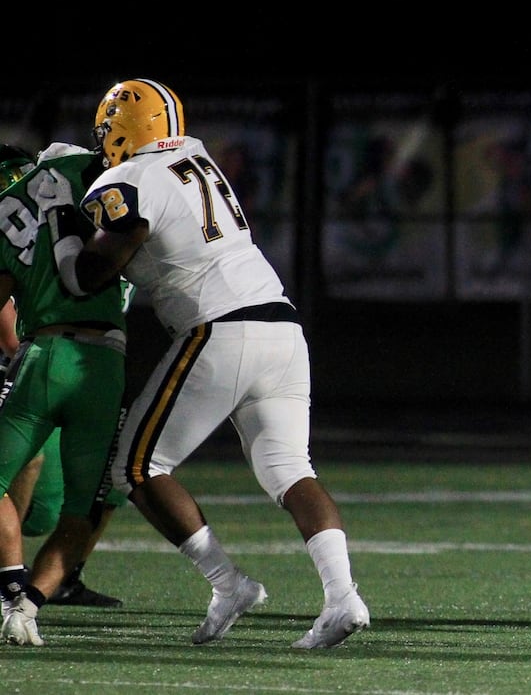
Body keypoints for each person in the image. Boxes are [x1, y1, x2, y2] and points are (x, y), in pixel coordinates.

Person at [46, 78, 370, 648]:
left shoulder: (130, 179)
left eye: (108, 127)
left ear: (124, 127)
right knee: (292, 468)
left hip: (221, 326)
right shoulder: (195, 157)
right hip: (282, 325)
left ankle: (228, 584)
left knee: (136, 469)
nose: (102, 139)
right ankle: (343, 596)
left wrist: (61, 227)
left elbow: (85, 278)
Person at [0, 142, 131, 646]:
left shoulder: (16, 211)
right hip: (106, 365)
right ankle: (28, 607)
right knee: (84, 510)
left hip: (43, 353)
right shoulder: (111, 190)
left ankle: (11, 587)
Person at [1, 297, 125, 609]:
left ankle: (59, 582)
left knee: (107, 484)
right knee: (31, 469)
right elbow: (10, 337)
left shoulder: (133, 258)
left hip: (82, 366)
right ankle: (11, 584)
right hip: (35, 360)